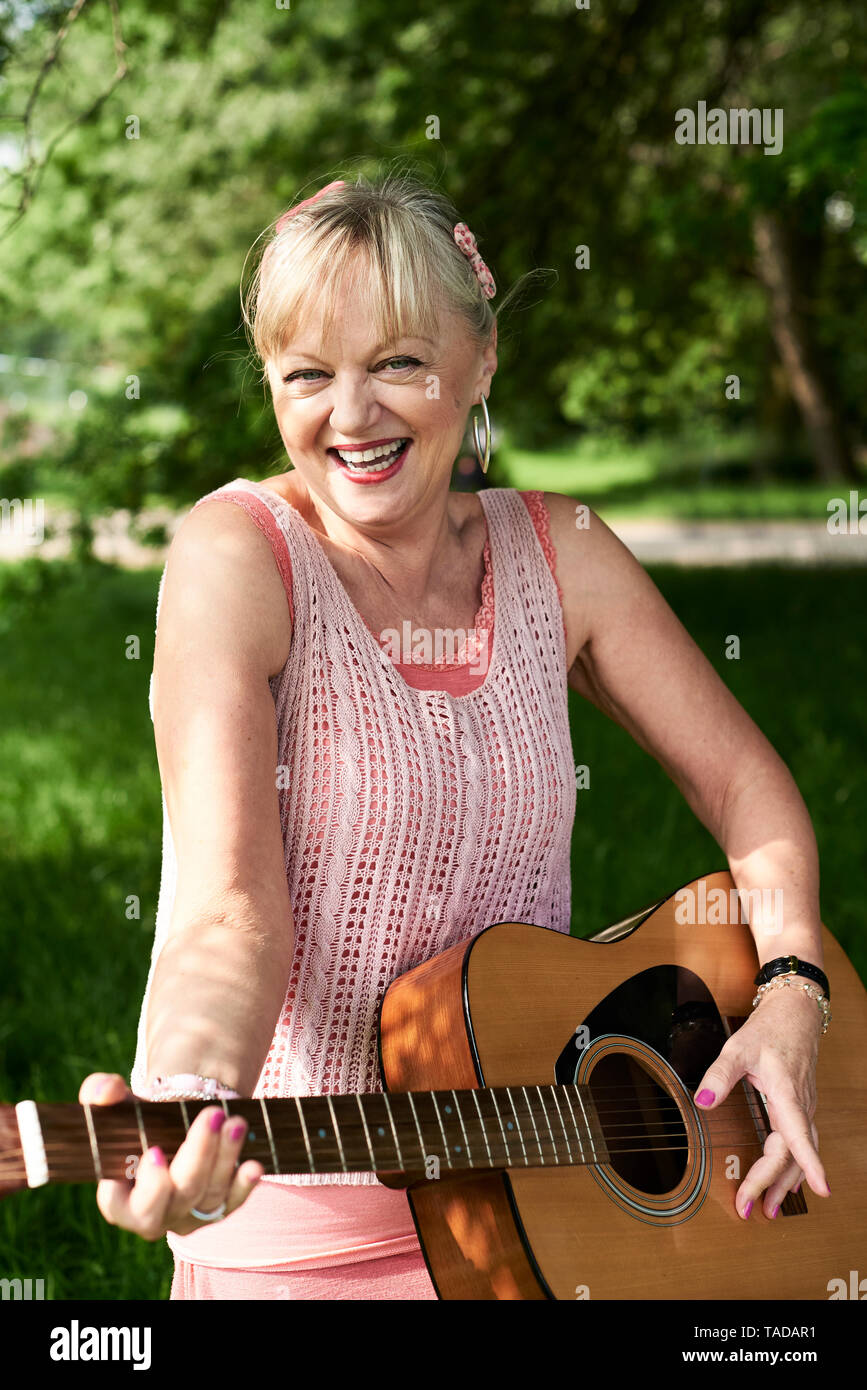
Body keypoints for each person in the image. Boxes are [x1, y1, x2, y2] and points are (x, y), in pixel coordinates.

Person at [79, 169, 830, 1300]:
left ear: (481, 360)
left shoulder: (560, 549)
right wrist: (190, 1098)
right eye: (307, 376)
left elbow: (746, 786)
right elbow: (228, 915)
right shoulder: (238, 561)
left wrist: (789, 989)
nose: (352, 414)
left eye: (397, 363)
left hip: (551, 1192)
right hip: (308, 1215)